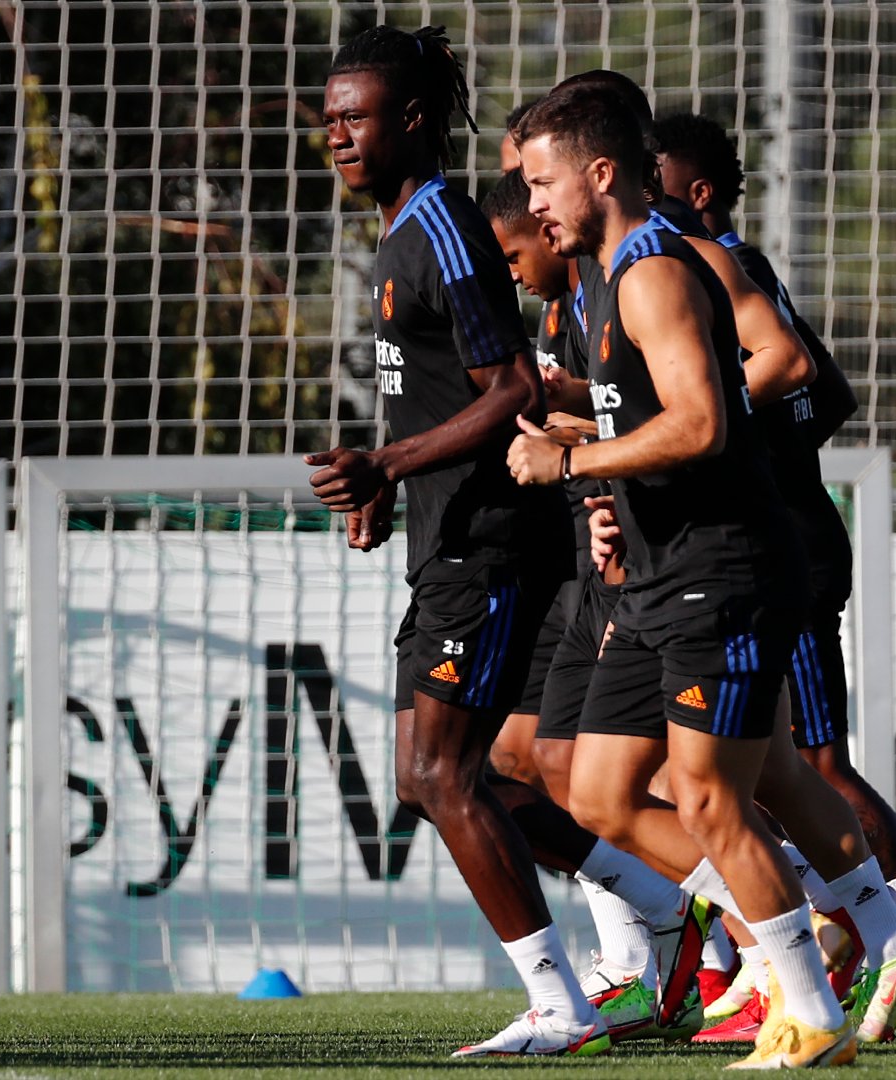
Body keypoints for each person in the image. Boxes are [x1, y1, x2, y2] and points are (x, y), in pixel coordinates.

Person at [504, 82, 857, 1069]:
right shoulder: (604, 282)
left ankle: (813, 1006)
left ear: (601, 175)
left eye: (543, 182)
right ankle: (805, 929)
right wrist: (584, 437)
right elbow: (651, 423)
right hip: (658, 577)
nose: (532, 204)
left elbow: (702, 425)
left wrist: (572, 463)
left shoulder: (654, 276)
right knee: (600, 792)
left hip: (723, 569)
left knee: (713, 799)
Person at [308, 24, 607, 1058]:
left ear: (416, 122)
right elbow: (442, 396)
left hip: (488, 543)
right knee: (449, 775)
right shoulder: (405, 231)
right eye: (333, 115)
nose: (339, 133)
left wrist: (390, 467)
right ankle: (665, 895)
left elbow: (515, 389)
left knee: (438, 774)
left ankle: (561, 1003)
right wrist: (390, 484)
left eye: (359, 115)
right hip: (451, 534)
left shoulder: (442, 228)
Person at [655, 109, 896, 1022]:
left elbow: (805, 381)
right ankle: (801, 946)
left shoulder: (716, 269)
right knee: (743, 769)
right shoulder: (713, 272)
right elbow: (829, 393)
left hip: (780, 547)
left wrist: (740, 454)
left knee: (808, 763)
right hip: (774, 533)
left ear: (698, 191)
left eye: (659, 179)